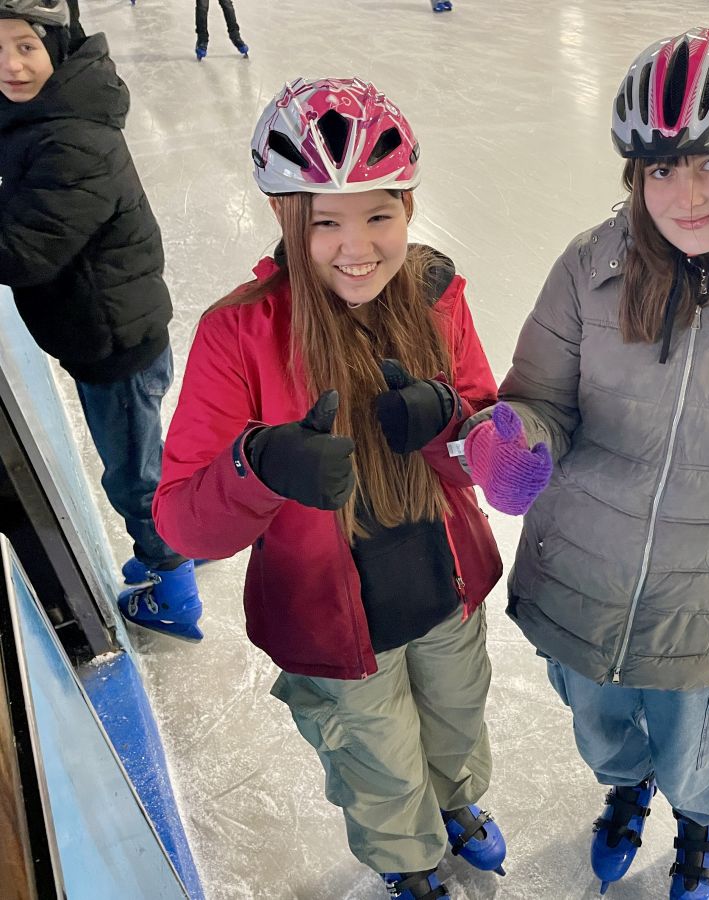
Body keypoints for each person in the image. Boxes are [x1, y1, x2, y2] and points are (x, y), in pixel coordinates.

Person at [462, 27, 709, 899]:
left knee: (697, 750)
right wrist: (511, 443)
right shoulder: (590, 269)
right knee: (601, 730)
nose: (685, 195)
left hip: (697, 596)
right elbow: (537, 400)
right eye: (661, 168)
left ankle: (701, 818)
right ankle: (625, 786)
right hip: (582, 573)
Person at [152, 76, 507, 900]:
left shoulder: (436, 295)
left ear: (407, 208)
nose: (358, 247)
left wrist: (454, 422)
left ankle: (454, 802)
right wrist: (258, 466)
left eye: (378, 215)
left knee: (457, 717)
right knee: (377, 759)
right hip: (334, 615)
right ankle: (409, 858)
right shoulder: (240, 332)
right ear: (288, 220)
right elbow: (180, 522)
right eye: (326, 222)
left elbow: (492, 439)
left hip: (446, 587)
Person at [0, 0, 203, 642]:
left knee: (133, 477)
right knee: (144, 457)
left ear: (56, 46)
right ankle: (177, 537)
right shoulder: (48, 111)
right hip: (113, 325)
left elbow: (24, 252)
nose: (11, 65)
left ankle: (174, 588)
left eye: (26, 46)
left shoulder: (72, 139)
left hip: (114, 341)